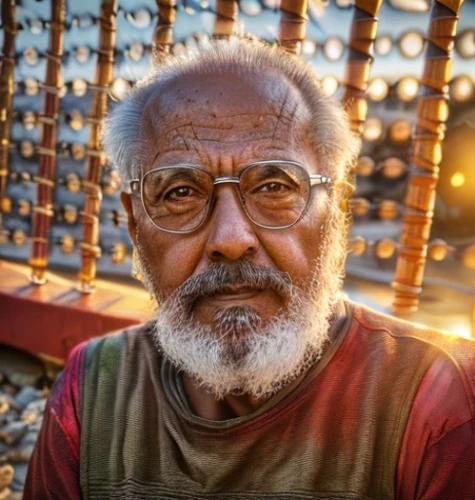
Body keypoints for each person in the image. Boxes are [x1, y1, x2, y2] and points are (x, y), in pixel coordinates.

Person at [25, 39, 475, 499]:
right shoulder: (92, 391)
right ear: (136, 224)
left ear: (334, 213)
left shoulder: (440, 400)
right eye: (180, 192)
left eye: (275, 185)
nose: (231, 239)